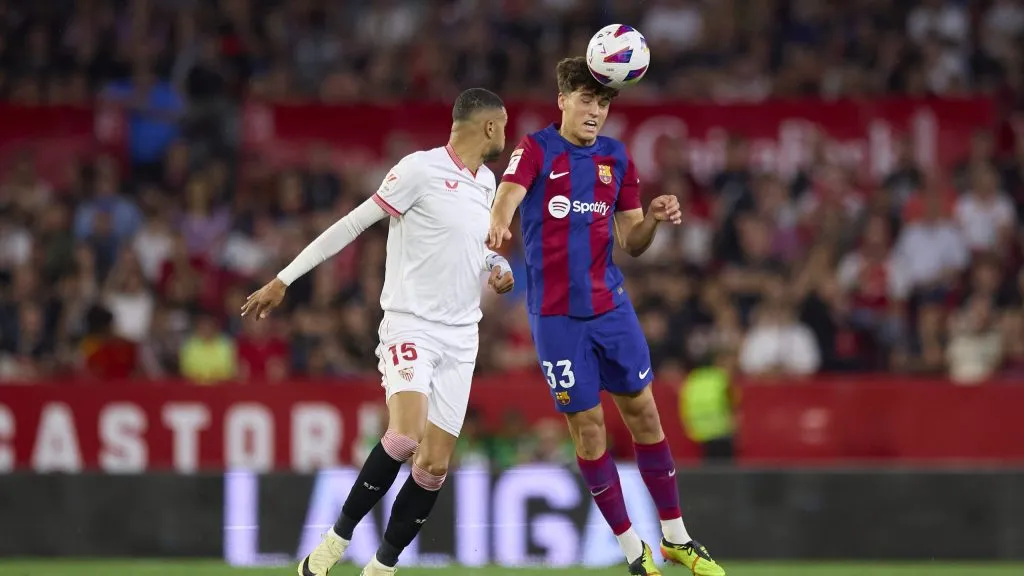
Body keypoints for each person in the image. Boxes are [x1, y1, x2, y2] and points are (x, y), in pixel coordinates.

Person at [242, 88, 514, 576]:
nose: (507, 135)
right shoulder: (418, 169)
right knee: (405, 436)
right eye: (504, 126)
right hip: (411, 323)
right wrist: (284, 278)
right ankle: (334, 542)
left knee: (433, 466)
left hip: (462, 337)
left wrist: (497, 265)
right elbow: (351, 225)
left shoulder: (487, 183)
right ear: (489, 128)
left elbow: (474, 247)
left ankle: (382, 568)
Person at [488, 57, 726, 576]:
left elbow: (632, 241)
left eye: (603, 102)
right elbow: (506, 194)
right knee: (589, 431)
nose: (595, 111)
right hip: (555, 317)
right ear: (563, 101)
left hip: (610, 307)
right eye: (586, 100)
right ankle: (631, 549)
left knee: (645, 414)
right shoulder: (535, 149)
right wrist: (500, 224)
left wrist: (656, 220)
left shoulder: (616, 159)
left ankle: (676, 538)